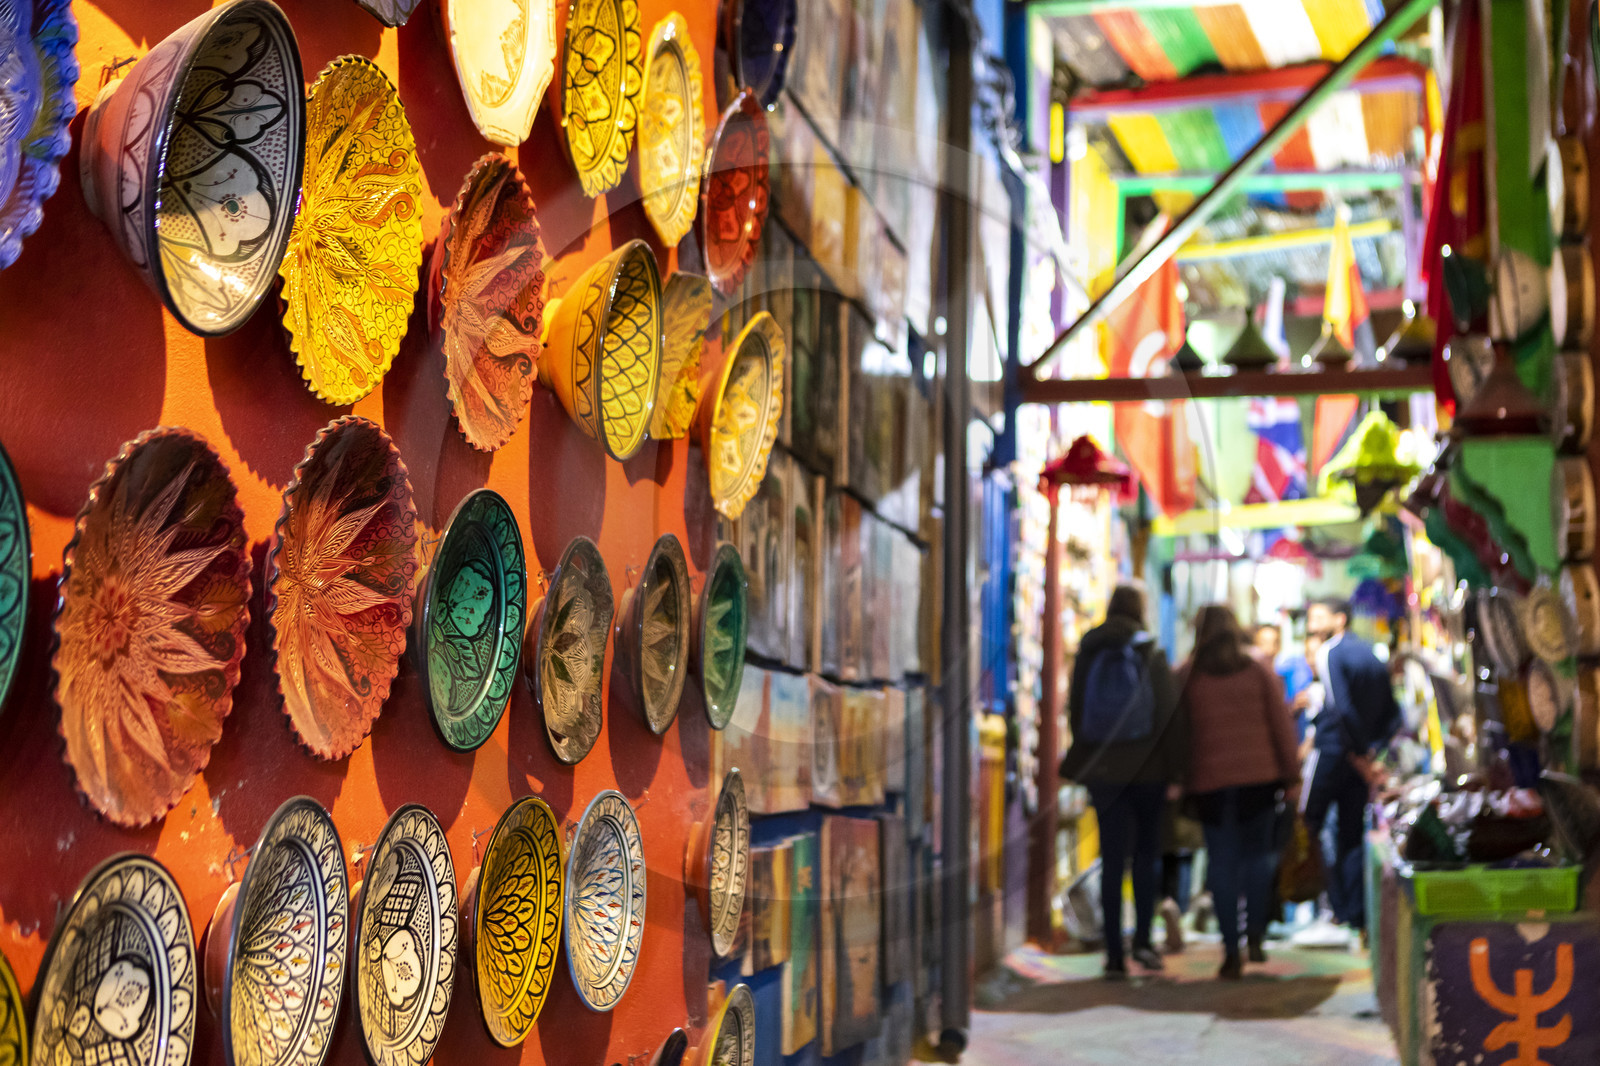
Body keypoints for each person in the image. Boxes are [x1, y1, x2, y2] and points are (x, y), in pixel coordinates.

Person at [1060, 584, 1187, 978]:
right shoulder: (1151, 650)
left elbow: (1076, 709)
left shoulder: (1090, 647)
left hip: (1105, 772)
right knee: (1146, 855)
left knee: (1112, 858)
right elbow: (1168, 714)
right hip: (1148, 770)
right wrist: (1175, 772)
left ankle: (1114, 952)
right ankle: (1144, 944)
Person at [1181, 606, 1302, 979]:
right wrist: (1291, 775)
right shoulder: (1258, 672)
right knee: (1257, 858)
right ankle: (1255, 936)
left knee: (1221, 862)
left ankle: (1230, 948)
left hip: (1210, 784)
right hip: (1258, 781)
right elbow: (1281, 726)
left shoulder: (1187, 676)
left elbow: (1177, 733)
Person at [1301, 597, 1401, 932]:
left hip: (1334, 753)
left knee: (1308, 826)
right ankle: (1355, 915)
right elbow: (1392, 712)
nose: (1312, 624)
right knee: (1351, 834)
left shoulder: (1330, 651)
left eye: (1318, 616)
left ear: (1340, 619)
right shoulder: (1371, 653)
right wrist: (1374, 753)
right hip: (1361, 758)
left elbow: (1339, 707)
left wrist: (1359, 753)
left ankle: (1327, 909)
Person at [1255, 623, 1314, 743]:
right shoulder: (1249, 678)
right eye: (1263, 642)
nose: (1268, 649)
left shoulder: (1288, 674)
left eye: (1274, 642)